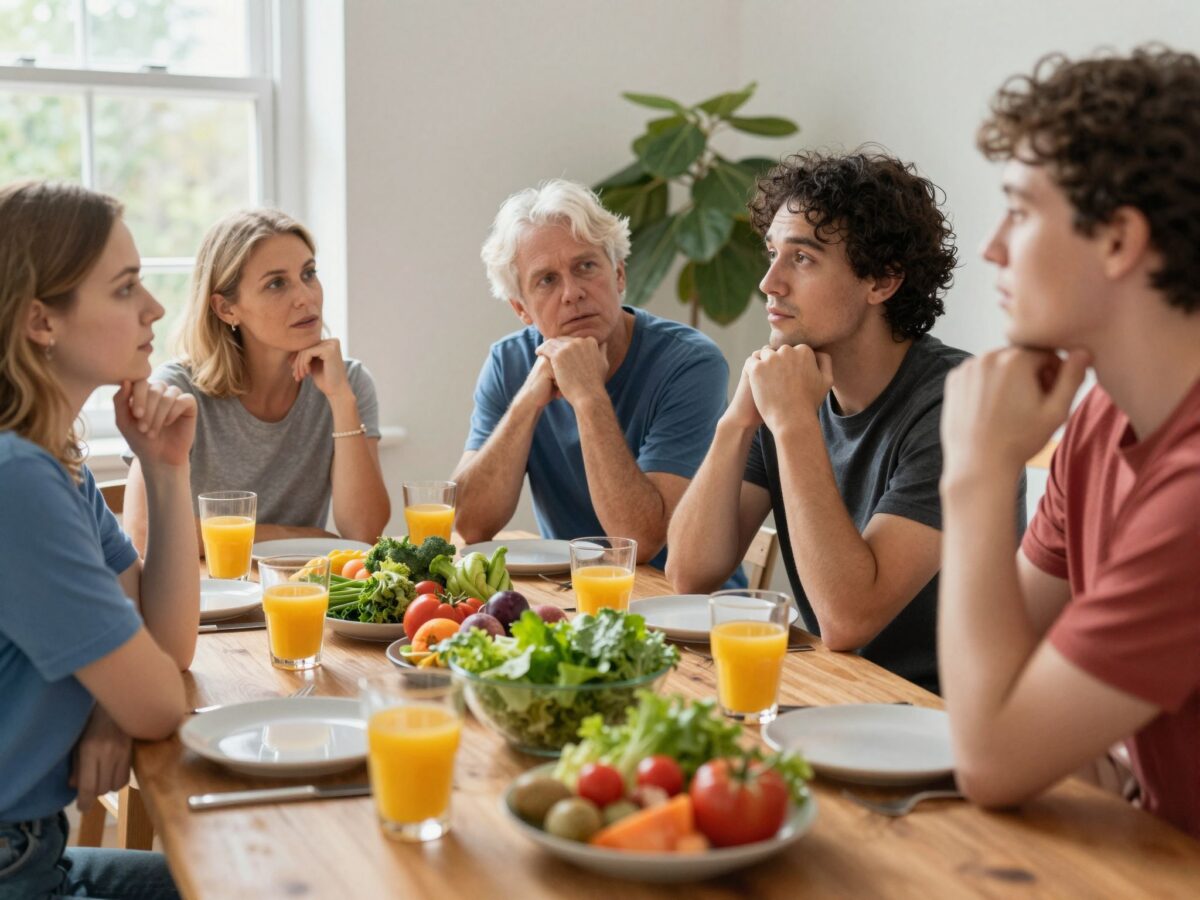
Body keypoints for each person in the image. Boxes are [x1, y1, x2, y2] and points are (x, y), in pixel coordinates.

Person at [938, 46, 1200, 839]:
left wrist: (977, 472)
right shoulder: (1095, 420)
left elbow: (991, 757)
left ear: (1118, 239)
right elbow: (998, 680)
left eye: (1020, 212)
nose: (991, 247)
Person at [668, 150, 1013, 694]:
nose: (769, 283)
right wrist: (737, 421)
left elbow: (848, 618)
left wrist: (792, 424)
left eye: (802, 258)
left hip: (943, 713)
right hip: (837, 687)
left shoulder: (958, 404)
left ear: (882, 281)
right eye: (772, 254)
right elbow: (691, 574)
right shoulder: (789, 387)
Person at [0, 181, 193, 898]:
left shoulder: (52, 463)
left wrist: (166, 469)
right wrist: (122, 699)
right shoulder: (16, 479)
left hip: (33, 850)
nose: (155, 308)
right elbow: (158, 702)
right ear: (40, 320)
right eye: (125, 288)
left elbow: (167, 647)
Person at [454, 179, 730, 569]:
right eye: (547, 280)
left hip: (680, 598)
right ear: (522, 309)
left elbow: (639, 542)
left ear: (619, 275)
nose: (572, 293)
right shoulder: (508, 362)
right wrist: (528, 401)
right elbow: (470, 524)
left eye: (585, 267)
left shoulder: (690, 363)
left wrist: (587, 396)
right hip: (571, 591)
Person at [123, 209, 389, 553]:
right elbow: (144, 532)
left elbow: (363, 532)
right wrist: (293, 536)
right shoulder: (178, 389)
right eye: (276, 283)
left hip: (299, 584)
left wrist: (341, 400)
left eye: (308, 274)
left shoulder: (348, 381)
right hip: (205, 585)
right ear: (226, 309)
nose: (306, 297)